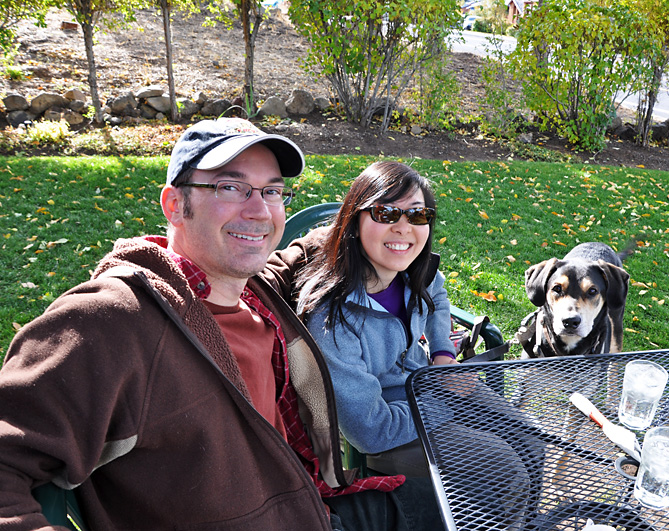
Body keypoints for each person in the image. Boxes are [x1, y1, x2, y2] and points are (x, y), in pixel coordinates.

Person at [0, 118, 442, 531]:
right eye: (231, 187)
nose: (260, 212)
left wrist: (376, 224)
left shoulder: (256, 289)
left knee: (458, 497)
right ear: (175, 204)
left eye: (272, 192)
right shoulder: (114, 320)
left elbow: (299, 253)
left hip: (314, 506)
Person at [267, 162, 457, 477]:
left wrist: (443, 352)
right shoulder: (333, 320)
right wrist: (443, 402)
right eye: (385, 213)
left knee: (528, 442)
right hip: (394, 424)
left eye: (417, 214)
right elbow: (372, 430)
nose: (403, 227)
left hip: (429, 384)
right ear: (355, 222)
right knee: (505, 474)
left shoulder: (414, 269)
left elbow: (437, 297)